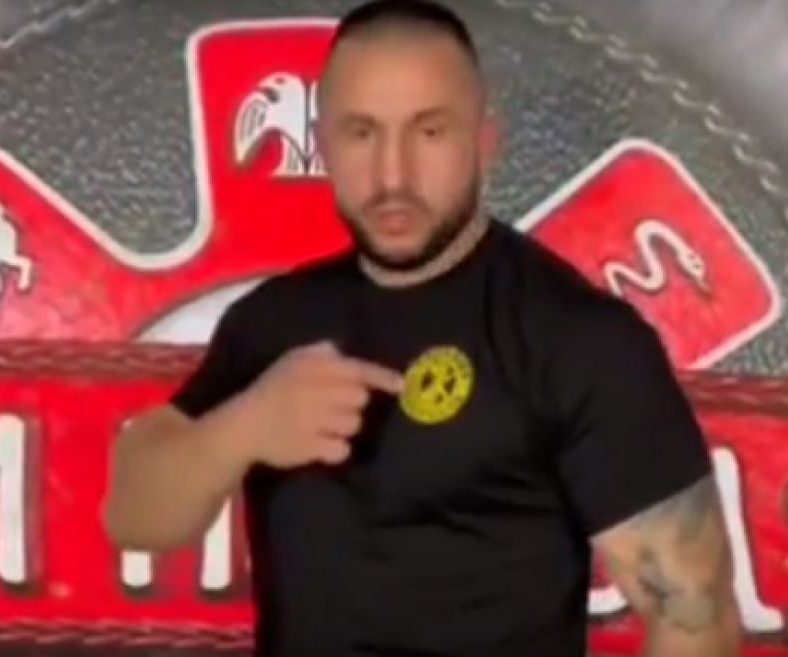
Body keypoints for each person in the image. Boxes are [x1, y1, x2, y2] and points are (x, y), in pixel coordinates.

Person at [102, 0, 741, 655]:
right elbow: (134, 516)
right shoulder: (274, 321)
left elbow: (695, 618)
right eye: (361, 133)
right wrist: (243, 428)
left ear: (484, 143)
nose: (393, 176)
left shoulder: (577, 339)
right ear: (322, 144)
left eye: (429, 132)